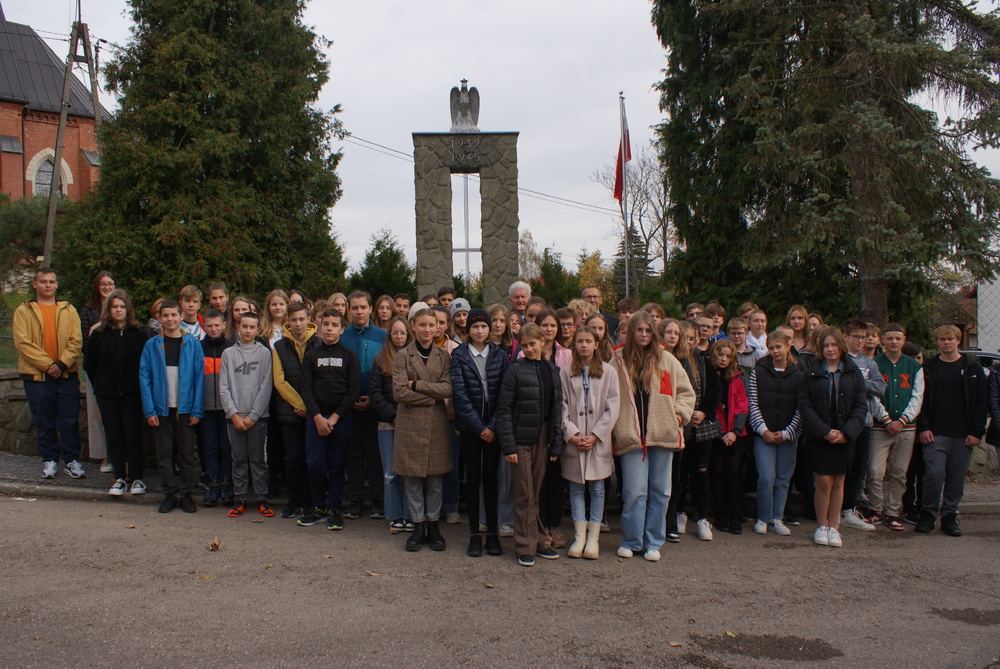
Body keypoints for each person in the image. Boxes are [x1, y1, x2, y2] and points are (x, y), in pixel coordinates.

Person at [612, 311, 695, 561]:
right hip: (631, 435)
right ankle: (631, 540)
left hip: (663, 434)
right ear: (632, 332)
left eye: (648, 331)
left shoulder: (667, 360)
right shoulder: (617, 360)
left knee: (661, 491)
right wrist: (615, 427)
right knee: (635, 491)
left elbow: (686, 392)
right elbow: (607, 393)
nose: (644, 335)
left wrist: (678, 417)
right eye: (639, 330)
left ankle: (653, 543)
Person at [497, 323, 564, 567]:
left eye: (532, 344)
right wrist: (509, 446)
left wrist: (556, 444)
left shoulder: (552, 371)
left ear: (543, 342)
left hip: (543, 437)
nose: (528, 349)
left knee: (534, 492)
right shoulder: (515, 370)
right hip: (520, 439)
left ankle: (539, 542)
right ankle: (525, 545)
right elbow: (503, 409)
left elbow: (557, 410)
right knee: (525, 493)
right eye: (524, 346)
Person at [798, 327, 868, 547]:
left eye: (833, 345)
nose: (830, 349)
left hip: (845, 437)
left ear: (841, 346)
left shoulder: (852, 372)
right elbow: (805, 406)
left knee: (839, 481)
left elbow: (860, 405)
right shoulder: (811, 372)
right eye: (825, 345)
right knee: (823, 482)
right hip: (820, 437)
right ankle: (821, 526)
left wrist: (847, 433)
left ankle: (834, 528)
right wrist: (825, 432)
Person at [915, 325, 987, 537]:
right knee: (934, 475)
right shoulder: (929, 367)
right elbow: (921, 400)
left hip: (963, 434)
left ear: (958, 341)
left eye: (950, 339)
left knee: (956, 478)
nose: (946, 343)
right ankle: (928, 514)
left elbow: (981, 403)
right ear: (937, 342)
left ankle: (949, 516)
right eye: (942, 339)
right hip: (935, 433)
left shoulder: (972, 368)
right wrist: (924, 427)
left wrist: (976, 431)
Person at [14, 267, 84, 479]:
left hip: (66, 375)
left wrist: (62, 364)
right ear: (35, 284)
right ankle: (50, 460)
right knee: (44, 420)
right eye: (43, 281)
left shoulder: (68, 309)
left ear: (56, 284)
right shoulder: (24, 311)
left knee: (69, 420)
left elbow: (76, 340)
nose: (47, 285)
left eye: (51, 281)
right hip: (37, 378)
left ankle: (71, 460)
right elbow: (23, 343)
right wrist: (48, 365)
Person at [393, 308, 453, 552]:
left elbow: (448, 389)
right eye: (423, 324)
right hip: (410, 424)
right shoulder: (402, 356)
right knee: (413, 481)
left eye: (433, 324)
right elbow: (398, 392)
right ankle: (418, 526)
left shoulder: (444, 356)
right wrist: (431, 396)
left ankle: (433, 525)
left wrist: (416, 385)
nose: (428, 329)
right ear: (413, 326)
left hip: (436, 425)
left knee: (435, 481)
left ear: (439, 327)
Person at [451, 309, 510, 557]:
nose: (479, 331)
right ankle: (475, 533)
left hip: (494, 429)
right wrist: (480, 427)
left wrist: (493, 426)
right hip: (471, 429)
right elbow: (460, 395)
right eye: (475, 327)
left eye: (484, 326)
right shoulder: (459, 355)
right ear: (469, 330)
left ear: (490, 329)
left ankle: (493, 534)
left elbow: (506, 394)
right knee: (473, 479)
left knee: (491, 479)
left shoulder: (500, 355)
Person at [139, 299, 205, 513]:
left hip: (185, 409)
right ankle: (169, 494)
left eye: (173, 315)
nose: (170, 319)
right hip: (161, 408)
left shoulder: (193, 344)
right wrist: (150, 409)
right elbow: (144, 377)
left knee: (186, 454)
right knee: (164, 454)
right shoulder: (152, 345)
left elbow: (198, 379)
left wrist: (196, 410)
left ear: (180, 316)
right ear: (159, 318)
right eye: (165, 315)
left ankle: (186, 494)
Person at [560, 326, 620, 559]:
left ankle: (593, 538)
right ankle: (579, 536)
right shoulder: (565, 372)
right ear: (573, 345)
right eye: (579, 341)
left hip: (597, 441)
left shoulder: (608, 372)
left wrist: (596, 435)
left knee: (597, 488)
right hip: (575, 441)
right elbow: (562, 405)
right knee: (575, 487)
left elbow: (613, 407)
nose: (584, 345)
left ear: (597, 344)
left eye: (588, 341)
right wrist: (572, 434)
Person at [297, 309, 360, 530]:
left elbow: (353, 390)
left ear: (342, 329)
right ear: (319, 327)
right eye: (326, 324)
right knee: (314, 464)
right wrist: (317, 417)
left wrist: (333, 418)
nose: (330, 328)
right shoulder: (311, 355)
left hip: (340, 420)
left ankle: (334, 509)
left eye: (335, 325)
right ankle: (318, 508)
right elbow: (305, 388)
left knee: (336, 465)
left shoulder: (349, 356)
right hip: (316, 419)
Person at [83, 289, 148, 496]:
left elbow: (146, 365)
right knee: (113, 435)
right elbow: (90, 364)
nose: (118, 310)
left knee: (132, 434)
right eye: (114, 306)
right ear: (108, 309)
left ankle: (137, 478)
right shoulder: (99, 334)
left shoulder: (140, 333)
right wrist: (102, 384)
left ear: (128, 309)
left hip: (132, 393)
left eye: (122, 306)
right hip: (107, 394)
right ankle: (119, 477)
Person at [868, 323, 924, 531]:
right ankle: (875, 509)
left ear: (903, 340)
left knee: (899, 473)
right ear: (883, 340)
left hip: (906, 427)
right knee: (875, 471)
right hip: (880, 426)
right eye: (890, 338)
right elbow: (871, 396)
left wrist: (902, 420)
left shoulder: (914, 366)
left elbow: (917, 397)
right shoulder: (874, 364)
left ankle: (892, 512)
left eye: (898, 338)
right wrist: (885, 419)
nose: (893, 342)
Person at [747, 330, 803, 535]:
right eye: (771, 348)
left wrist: (788, 432)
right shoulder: (758, 372)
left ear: (788, 346)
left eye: (778, 347)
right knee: (766, 477)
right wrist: (763, 430)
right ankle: (763, 516)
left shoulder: (798, 375)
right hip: (765, 434)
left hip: (788, 435)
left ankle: (777, 517)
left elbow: (801, 407)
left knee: (783, 478)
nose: (775, 351)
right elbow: (752, 403)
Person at [220, 312, 274, 517]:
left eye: (252, 327)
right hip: (234, 417)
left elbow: (266, 386)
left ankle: (262, 498)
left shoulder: (264, 353)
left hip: (258, 418)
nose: (248, 330)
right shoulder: (228, 354)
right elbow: (223, 387)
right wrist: (233, 414)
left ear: (258, 329)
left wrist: (253, 416)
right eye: (245, 326)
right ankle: (240, 498)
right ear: (238, 327)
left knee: (258, 459)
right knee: (239, 458)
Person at [341, 290, 387, 519]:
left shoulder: (382, 336)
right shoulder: (342, 336)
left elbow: (387, 373)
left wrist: (374, 399)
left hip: (375, 406)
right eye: (355, 308)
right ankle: (356, 500)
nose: (359, 311)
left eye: (363, 307)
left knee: (375, 454)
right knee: (354, 455)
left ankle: (378, 501)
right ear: (349, 310)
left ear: (371, 309)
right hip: (349, 408)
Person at [272, 302, 319, 519]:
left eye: (302, 319)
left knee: (312, 458)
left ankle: (310, 501)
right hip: (289, 412)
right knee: (292, 458)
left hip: (314, 413)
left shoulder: (318, 343)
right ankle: (293, 500)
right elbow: (279, 381)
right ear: (287, 322)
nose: (298, 324)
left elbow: (321, 380)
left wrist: (310, 408)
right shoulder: (279, 347)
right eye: (294, 320)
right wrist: (300, 406)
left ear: (308, 318)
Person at [840, 318, 886, 533]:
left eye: (863, 337)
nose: (860, 341)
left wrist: (858, 384)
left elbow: (880, 387)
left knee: (859, 467)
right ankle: (835, 509)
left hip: (865, 422)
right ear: (845, 337)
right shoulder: (839, 359)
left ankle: (849, 509)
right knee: (841, 467)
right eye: (856, 337)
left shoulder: (870, 363)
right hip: (843, 422)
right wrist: (859, 386)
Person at [369, 316, 412, 534]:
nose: (398, 336)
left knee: (408, 473)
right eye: (395, 333)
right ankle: (394, 516)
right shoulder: (380, 360)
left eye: (402, 333)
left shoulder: (414, 358)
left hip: (411, 423)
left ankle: (409, 515)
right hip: (387, 424)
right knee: (390, 474)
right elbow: (375, 394)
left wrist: (405, 416)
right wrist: (393, 415)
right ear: (389, 335)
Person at [708, 339, 749, 534]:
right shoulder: (709, 378)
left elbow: (742, 405)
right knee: (717, 473)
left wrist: (734, 431)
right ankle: (720, 513)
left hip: (736, 434)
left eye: (727, 356)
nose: (723, 359)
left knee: (734, 475)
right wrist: (721, 432)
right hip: (716, 433)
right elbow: (711, 407)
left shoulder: (737, 378)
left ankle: (735, 515)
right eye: (720, 355)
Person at [80, 270, 116, 473]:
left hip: (116, 371)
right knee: (97, 415)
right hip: (96, 369)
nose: (106, 287)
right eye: (102, 284)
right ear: (97, 287)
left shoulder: (121, 307)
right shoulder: (88, 310)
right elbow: (87, 344)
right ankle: (104, 456)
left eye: (110, 283)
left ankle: (117, 454)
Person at [199, 308, 235, 507]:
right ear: (203, 326)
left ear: (223, 326)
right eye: (209, 326)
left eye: (216, 325)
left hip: (226, 408)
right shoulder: (198, 348)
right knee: (210, 447)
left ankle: (227, 484)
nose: (213, 329)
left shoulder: (231, 348)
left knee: (226, 446)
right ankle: (213, 484)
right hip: (205, 408)